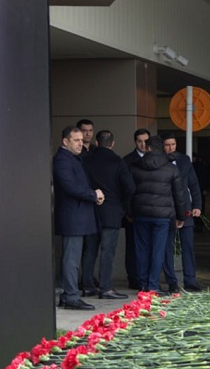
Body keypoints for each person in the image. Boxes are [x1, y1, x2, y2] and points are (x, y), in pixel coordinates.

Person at [53, 125, 104, 310]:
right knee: (71, 259)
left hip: (77, 216)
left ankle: (69, 295)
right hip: (72, 217)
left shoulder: (72, 158)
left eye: (82, 140)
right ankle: (71, 296)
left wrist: (94, 196)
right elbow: (70, 187)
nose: (81, 144)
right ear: (65, 141)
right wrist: (93, 194)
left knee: (71, 258)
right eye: (76, 140)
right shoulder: (63, 160)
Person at [129, 135, 189, 293]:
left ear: (147, 148)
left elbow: (129, 192)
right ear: (162, 148)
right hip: (162, 215)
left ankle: (142, 283)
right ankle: (153, 285)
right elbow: (179, 195)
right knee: (158, 249)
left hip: (140, 214)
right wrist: (181, 216)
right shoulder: (171, 168)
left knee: (141, 249)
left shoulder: (135, 167)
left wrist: (129, 212)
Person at [82, 129, 135, 301]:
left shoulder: (87, 159)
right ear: (112, 144)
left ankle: (88, 286)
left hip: (90, 210)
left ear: (97, 143)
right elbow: (130, 188)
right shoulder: (118, 161)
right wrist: (122, 206)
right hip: (111, 212)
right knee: (108, 251)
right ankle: (105, 288)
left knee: (90, 250)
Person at [161, 134, 203, 292]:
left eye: (172, 144)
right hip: (166, 208)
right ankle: (171, 281)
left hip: (185, 208)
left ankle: (190, 279)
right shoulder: (160, 161)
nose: (170, 148)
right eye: (167, 145)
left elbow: (193, 183)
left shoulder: (185, 160)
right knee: (167, 246)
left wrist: (197, 205)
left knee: (188, 245)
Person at [122, 128, 152, 289]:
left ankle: (148, 278)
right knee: (133, 247)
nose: (143, 144)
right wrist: (129, 211)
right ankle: (134, 278)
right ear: (135, 142)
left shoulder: (155, 158)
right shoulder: (127, 161)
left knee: (150, 246)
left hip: (151, 210)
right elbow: (125, 189)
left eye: (146, 141)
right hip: (133, 211)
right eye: (139, 141)